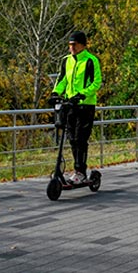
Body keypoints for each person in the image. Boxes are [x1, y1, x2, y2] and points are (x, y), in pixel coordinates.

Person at [51, 31, 102, 184]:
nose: (71, 47)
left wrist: (81, 95)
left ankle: (80, 171)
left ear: (82, 45)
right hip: (70, 105)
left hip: (85, 105)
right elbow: (62, 80)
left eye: (74, 44)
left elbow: (96, 83)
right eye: (70, 44)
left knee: (81, 138)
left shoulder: (91, 61)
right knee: (72, 139)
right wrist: (55, 93)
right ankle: (77, 170)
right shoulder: (66, 61)